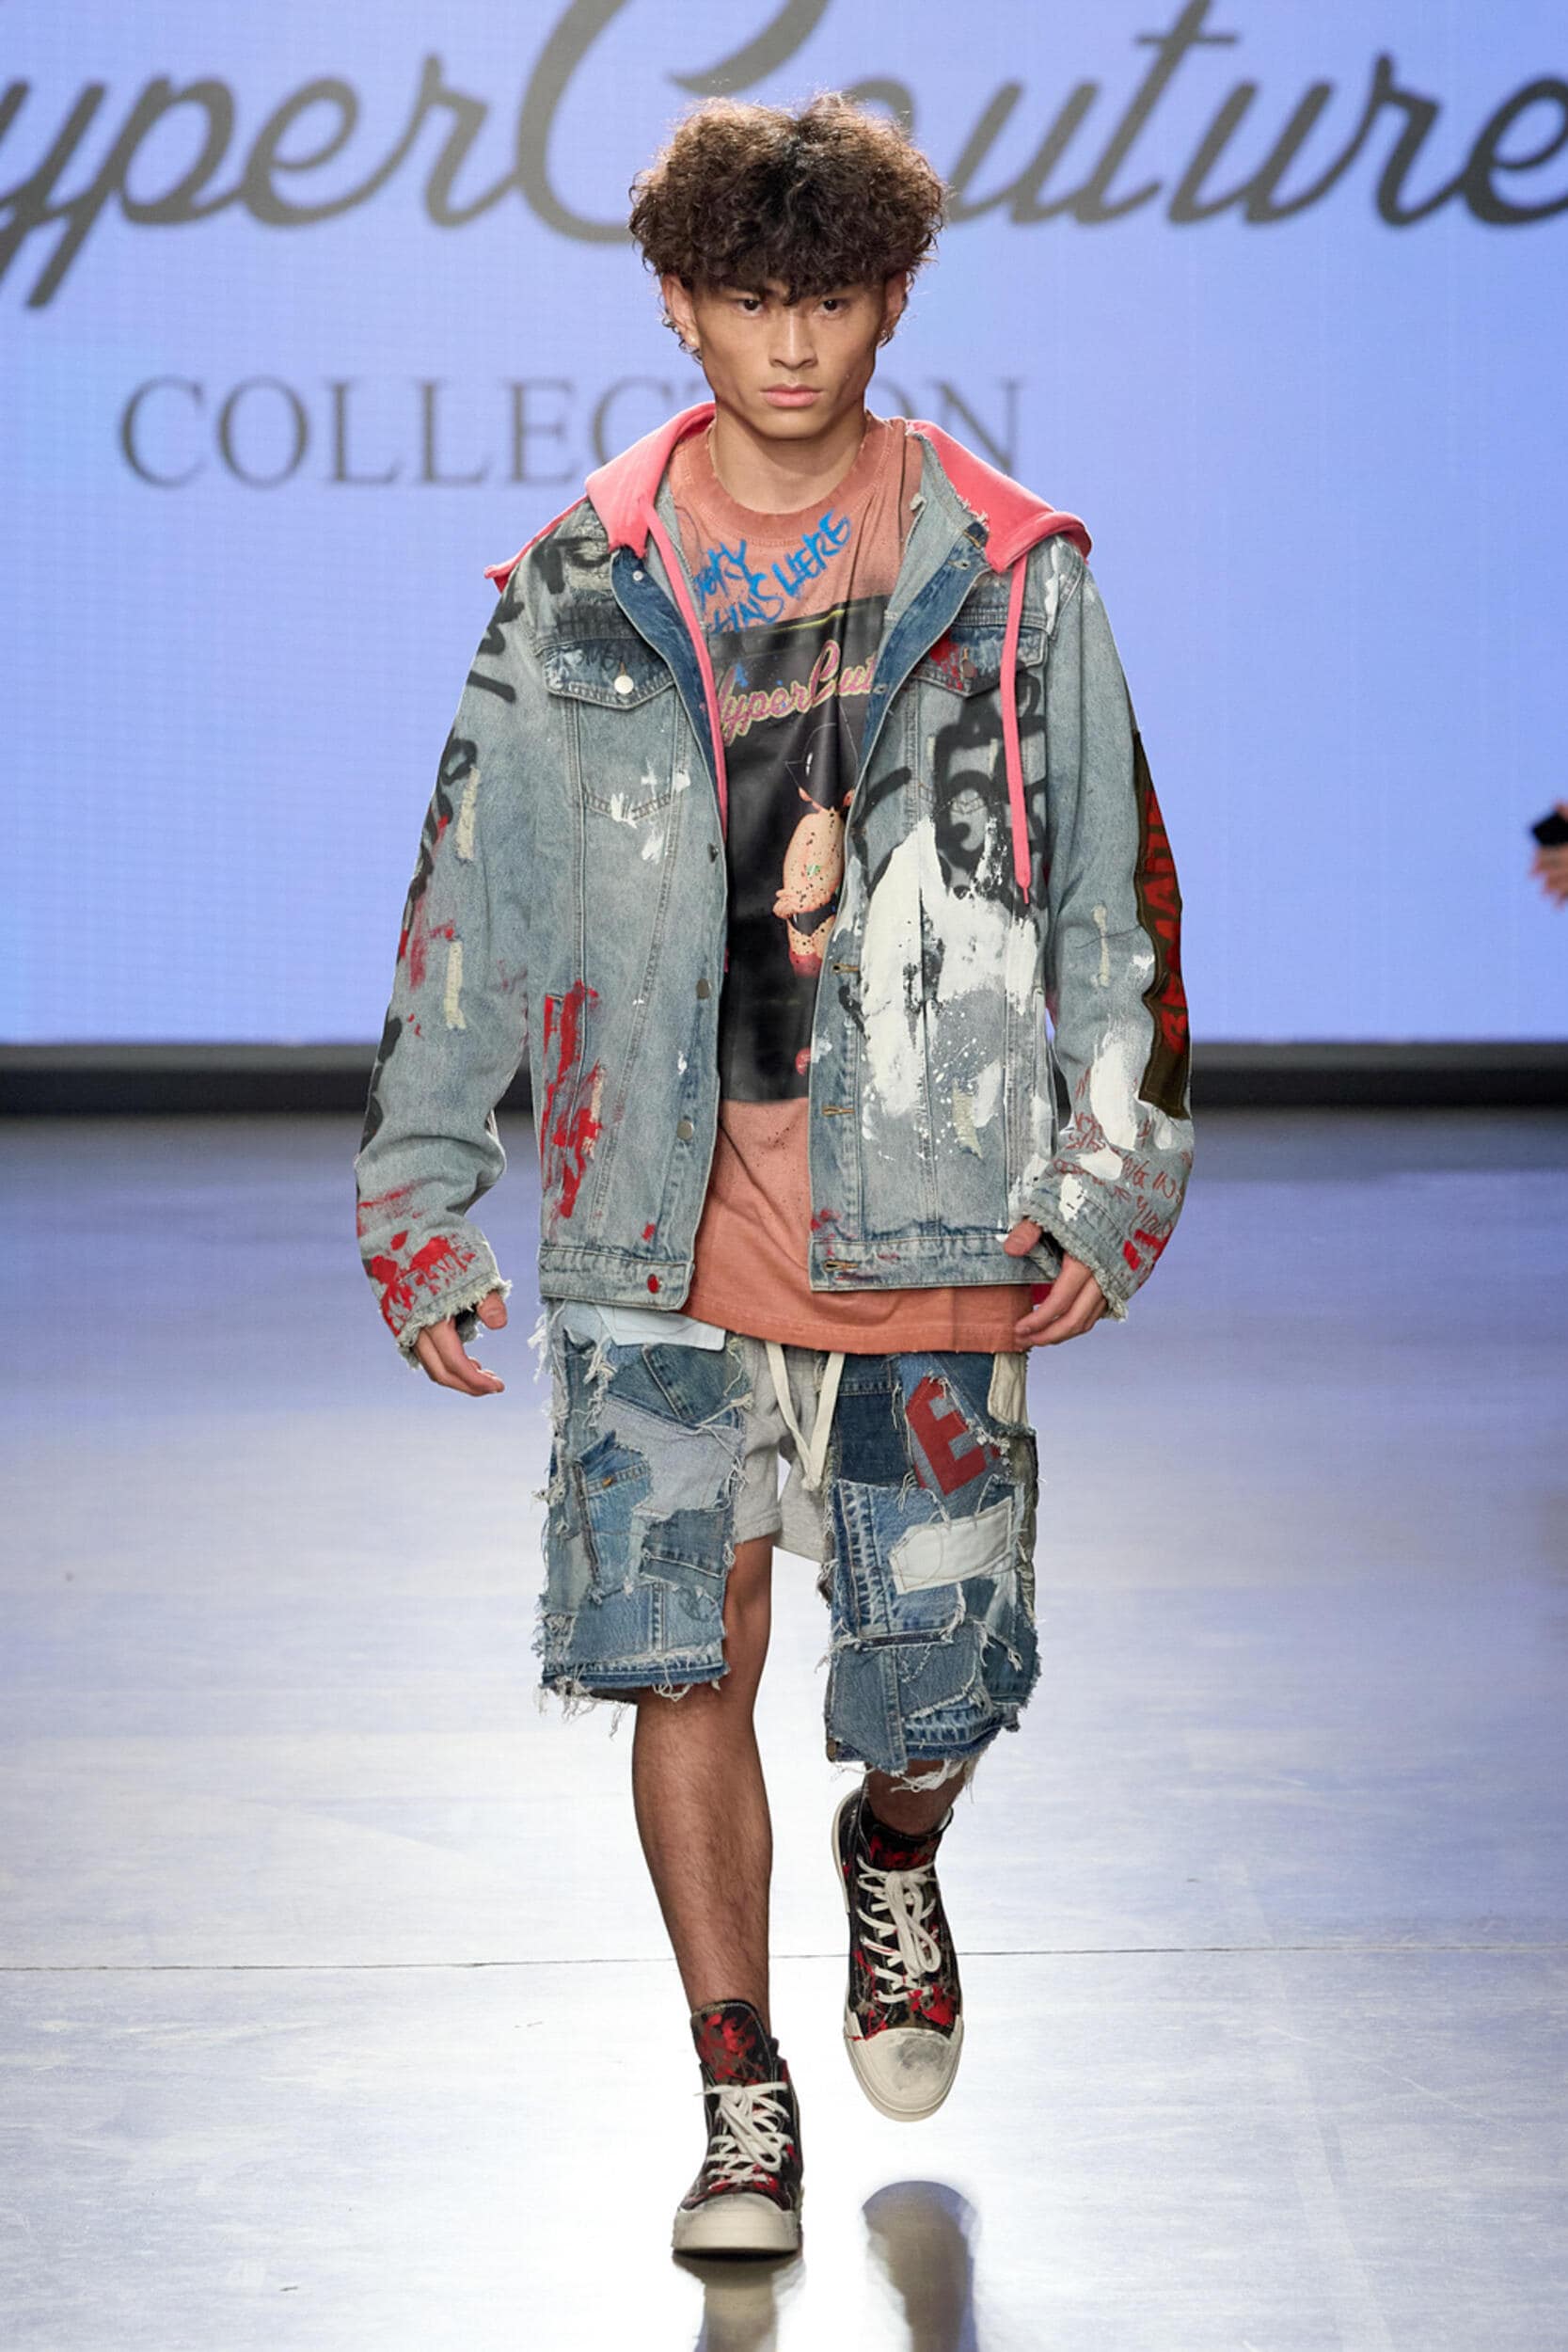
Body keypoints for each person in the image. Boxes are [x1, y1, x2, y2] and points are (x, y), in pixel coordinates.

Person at [353, 91, 1193, 2257]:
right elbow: (475, 891)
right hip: (650, 1203)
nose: (793, 343)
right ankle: (742, 2099)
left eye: (830, 297)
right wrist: (422, 1188)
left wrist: (1116, 1158)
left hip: (934, 1190)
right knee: (678, 1650)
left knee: (940, 1681)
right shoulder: (581, 579)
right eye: (749, 297)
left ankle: (893, 1845)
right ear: (678, 302)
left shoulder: (1010, 569)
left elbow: (1112, 881)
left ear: (894, 298)